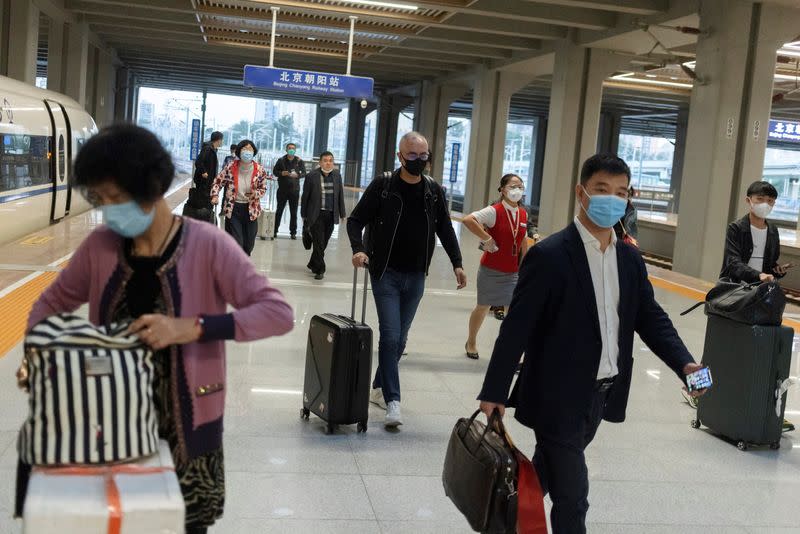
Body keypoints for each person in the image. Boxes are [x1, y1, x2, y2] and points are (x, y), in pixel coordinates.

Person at [19, 124, 294, 534]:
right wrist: (35, 352)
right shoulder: (101, 247)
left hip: (188, 424)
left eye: (115, 198)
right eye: (100, 199)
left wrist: (194, 327)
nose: (109, 210)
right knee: (115, 520)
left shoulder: (208, 245)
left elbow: (277, 312)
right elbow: (51, 302)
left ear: (150, 186)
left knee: (183, 522)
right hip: (109, 421)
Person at [477, 154, 705, 533]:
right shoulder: (549, 255)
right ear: (581, 193)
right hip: (556, 395)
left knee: (541, 478)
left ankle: (502, 521)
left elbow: (650, 317)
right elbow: (515, 328)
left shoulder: (630, 258)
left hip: (600, 395)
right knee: (574, 498)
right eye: (602, 190)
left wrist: (685, 364)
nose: (611, 200)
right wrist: (495, 390)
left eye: (620, 193)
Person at [348, 131, 466, 428]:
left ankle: (378, 386)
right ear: (400, 156)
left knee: (400, 340)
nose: (418, 161)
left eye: (423, 155)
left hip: (416, 276)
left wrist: (457, 264)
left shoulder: (433, 190)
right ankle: (393, 401)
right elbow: (355, 220)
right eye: (412, 155)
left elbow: (445, 229)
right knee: (389, 336)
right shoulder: (384, 185)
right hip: (385, 272)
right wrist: (359, 249)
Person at [462, 174, 529, 359]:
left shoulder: (523, 213)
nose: (517, 189)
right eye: (513, 185)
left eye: (520, 186)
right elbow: (468, 220)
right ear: (503, 189)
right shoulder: (494, 211)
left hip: (513, 271)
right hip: (491, 270)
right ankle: (471, 341)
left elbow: (522, 239)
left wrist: (525, 265)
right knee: (483, 306)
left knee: (513, 312)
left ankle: (509, 350)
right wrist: (486, 238)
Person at [720, 181, 788, 283]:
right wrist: (758, 275)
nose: (765, 204)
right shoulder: (736, 228)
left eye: (770, 200)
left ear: (774, 204)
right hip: (736, 286)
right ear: (748, 200)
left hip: (760, 287)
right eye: (760, 199)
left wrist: (777, 270)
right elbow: (733, 262)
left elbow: (771, 262)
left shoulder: (773, 230)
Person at [211, 140, 268, 256]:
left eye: (250, 149)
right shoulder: (230, 167)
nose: (247, 152)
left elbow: (263, 189)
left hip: (251, 209)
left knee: (249, 244)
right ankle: (238, 268)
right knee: (238, 242)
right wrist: (215, 195)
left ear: (254, 152)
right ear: (239, 151)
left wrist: (255, 194)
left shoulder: (260, 170)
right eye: (245, 149)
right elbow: (217, 182)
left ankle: (242, 261)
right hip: (234, 208)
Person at [301, 151, 346, 280]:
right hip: (316, 214)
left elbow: (340, 195)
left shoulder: (337, 175)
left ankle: (312, 263)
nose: (328, 162)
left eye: (331, 160)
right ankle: (320, 269)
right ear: (320, 162)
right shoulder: (311, 176)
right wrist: (304, 214)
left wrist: (342, 213)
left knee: (323, 242)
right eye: (325, 160)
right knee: (319, 242)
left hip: (331, 214)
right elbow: (305, 197)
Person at [272, 142, 307, 239]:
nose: (291, 149)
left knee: (294, 212)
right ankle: (274, 231)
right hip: (282, 190)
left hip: (294, 191)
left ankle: (293, 232)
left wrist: (298, 175)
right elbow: (275, 172)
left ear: (295, 150)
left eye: (293, 148)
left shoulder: (299, 161)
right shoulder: (281, 160)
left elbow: (304, 173)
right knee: (279, 211)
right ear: (286, 150)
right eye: (289, 148)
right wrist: (282, 173)